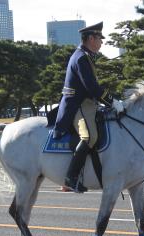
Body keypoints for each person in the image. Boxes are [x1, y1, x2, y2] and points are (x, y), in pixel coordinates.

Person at [53, 21, 124, 193]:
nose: (101, 42)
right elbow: (92, 87)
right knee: (90, 136)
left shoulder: (86, 56)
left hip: (87, 102)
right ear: (91, 38)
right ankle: (71, 178)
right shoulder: (82, 58)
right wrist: (112, 101)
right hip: (78, 105)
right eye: (100, 38)